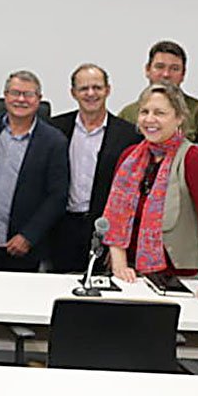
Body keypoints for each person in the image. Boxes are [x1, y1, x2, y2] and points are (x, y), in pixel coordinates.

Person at [103, 82, 198, 308]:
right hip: (130, 276)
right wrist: (119, 265)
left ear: (179, 118)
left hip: (179, 280)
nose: (149, 119)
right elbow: (115, 217)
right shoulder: (129, 157)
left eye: (159, 113)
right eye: (144, 112)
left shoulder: (195, 160)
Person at [0, 71, 69, 272]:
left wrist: (29, 236)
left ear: (39, 99)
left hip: (21, 245)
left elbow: (57, 196)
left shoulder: (54, 141)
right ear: (5, 96)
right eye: (15, 93)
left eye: (28, 94)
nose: (21, 99)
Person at [48, 64, 141, 273]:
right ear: (73, 93)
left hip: (104, 230)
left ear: (108, 90)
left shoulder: (128, 136)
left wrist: (118, 246)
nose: (91, 93)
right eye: (84, 88)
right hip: (61, 228)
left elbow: (132, 195)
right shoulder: (55, 128)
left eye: (97, 87)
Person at [118, 40, 198, 186]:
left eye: (174, 69)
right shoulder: (128, 114)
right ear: (147, 70)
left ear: (183, 74)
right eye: (159, 67)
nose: (166, 74)